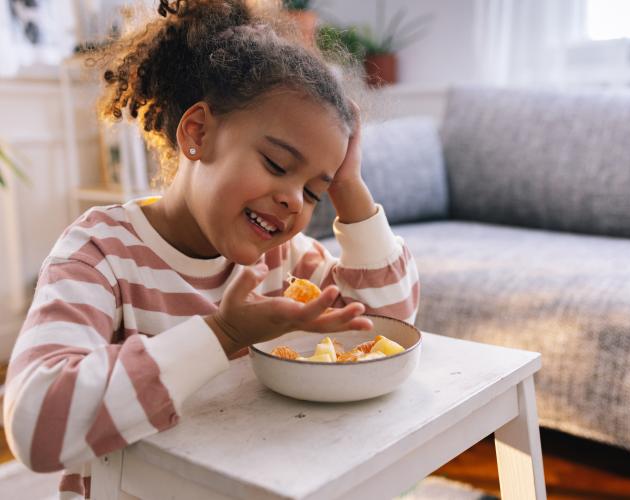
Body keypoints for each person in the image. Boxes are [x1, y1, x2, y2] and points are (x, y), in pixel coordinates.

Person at [2, 0, 419, 497]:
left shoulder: (283, 259)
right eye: (277, 163)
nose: (293, 199)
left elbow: (388, 325)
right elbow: (36, 424)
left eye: (313, 192)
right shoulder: (101, 254)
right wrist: (222, 334)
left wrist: (348, 185)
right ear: (198, 132)